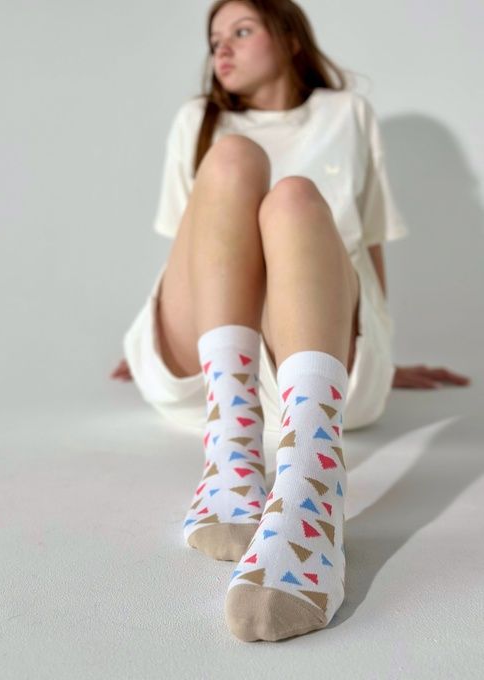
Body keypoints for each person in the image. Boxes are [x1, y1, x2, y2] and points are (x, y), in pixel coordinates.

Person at [111, 0, 471, 642]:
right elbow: (191, 250)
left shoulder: (348, 113)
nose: (221, 49)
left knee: (295, 198)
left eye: (241, 31)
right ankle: (231, 448)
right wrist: (164, 332)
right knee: (233, 159)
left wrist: (378, 347)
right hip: (209, 360)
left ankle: (311, 479)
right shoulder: (198, 119)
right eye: (214, 39)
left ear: (289, 37)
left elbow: (369, 246)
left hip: (314, 356)